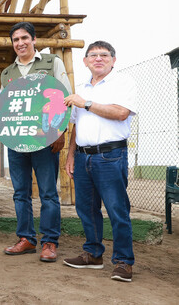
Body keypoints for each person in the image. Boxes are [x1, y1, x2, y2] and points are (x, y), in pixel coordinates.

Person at [0, 22, 72, 262]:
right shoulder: (7, 73)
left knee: (48, 193)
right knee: (20, 193)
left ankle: (49, 242)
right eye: (16, 39)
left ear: (34, 40)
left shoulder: (52, 62)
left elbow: (65, 99)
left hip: (46, 138)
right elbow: (5, 107)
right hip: (16, 141)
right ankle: (26, 238)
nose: (20, 43)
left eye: (25, 38)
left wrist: (61, 131)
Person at [62, 41, 137, 282]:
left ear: (113, 60)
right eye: (92, 55)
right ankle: (93, 254)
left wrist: (86, 103)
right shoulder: (82, 87)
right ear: (85, 62)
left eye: (104, 55)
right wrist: (71, 154)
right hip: (83, 156)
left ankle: (124, 262)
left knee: (117, 209)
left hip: (111, 155)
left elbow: (121, 113)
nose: (98, 58)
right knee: (86, 208)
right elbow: (76, 125)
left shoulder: (122, 83)